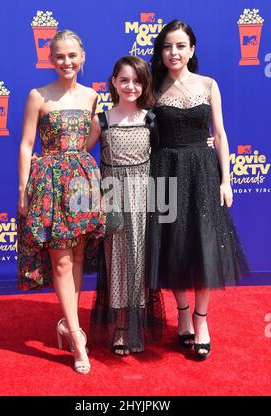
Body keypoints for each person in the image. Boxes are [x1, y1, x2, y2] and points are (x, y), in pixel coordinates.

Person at [148, 20, 248, 359]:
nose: (173, 52)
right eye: (167, 46)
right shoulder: (152, 87)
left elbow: (219, 135)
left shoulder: (208, 84)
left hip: (204, 173)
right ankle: (181, 314)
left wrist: (226, 179)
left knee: (206, 246)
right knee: (172, 246)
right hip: (164, 173)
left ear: (191, 50)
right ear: (160, 52)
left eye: (180, 46)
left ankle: (201, 319)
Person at [17, 30, 105, 374]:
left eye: (72, 56)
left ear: (82, 57)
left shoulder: (92, 97)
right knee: (62, 263)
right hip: (49, 185)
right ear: (49, 59)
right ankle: (77, 336)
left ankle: (69, 324)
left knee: (79, 254)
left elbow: (95, 134)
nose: (66, 62)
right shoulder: (37, 96)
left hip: (82, 182)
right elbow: (26, 144)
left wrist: (78, 160)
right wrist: (22, 188)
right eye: (59, 56)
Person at [88, 56, 166, 355]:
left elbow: (165, 155)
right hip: (113, 200)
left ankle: (137, 322)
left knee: (140, 260)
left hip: (146, 199)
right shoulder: (103, 120)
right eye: (124, 80)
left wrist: (206, 143)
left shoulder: (151, 119)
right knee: (117, 260)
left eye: (137, 81)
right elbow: (81, 157)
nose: (130, 86)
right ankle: (121, 325)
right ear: (113, 82)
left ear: (144, 84)